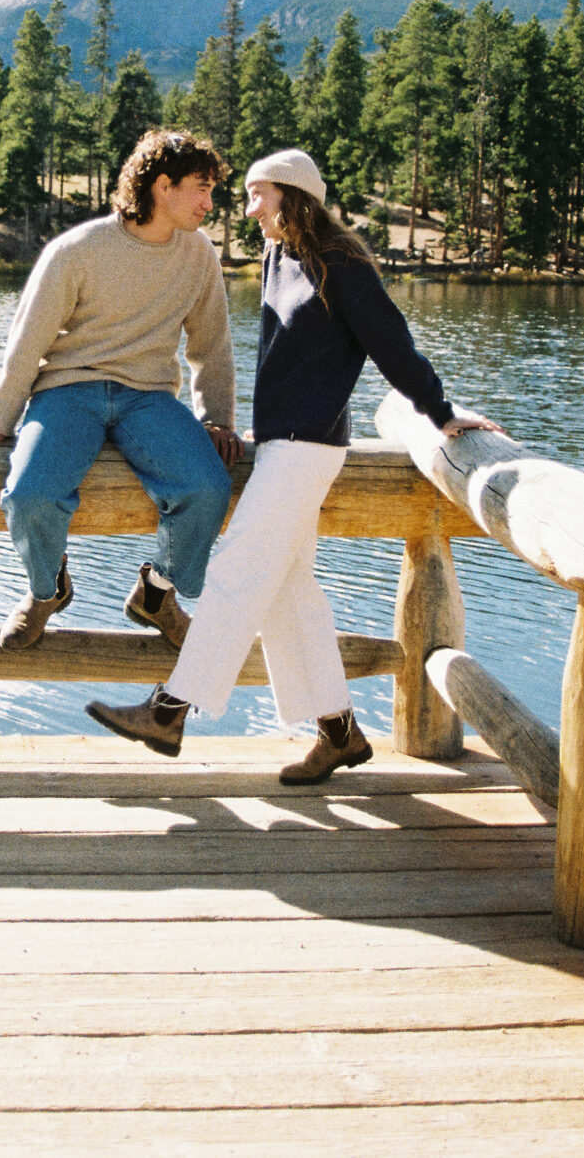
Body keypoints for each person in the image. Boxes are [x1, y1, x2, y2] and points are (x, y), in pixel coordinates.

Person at [86, 148, 502, 784]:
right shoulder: (279, 255)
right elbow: (286, 356)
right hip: (281, 440)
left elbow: (392, 344)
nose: (248, 209)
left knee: (237, 569)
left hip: (311, 449)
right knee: (288, 591)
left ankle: (169, 710)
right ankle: (338, 731)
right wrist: (265, 424)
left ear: (293, 196)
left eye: (258, 196)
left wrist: (441, 414)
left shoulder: (343, 264)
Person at [0, 128, 244, 651]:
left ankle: (157, 593)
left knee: (207, 488)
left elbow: (211, 347)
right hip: (68, 390)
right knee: (30, 496)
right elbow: (28, 342)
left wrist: (218, 418)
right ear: (162, 187)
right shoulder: (78, 250)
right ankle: (47, 591)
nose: (209, 202)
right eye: (201, 188)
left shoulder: (199, 255)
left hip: (149, 397)